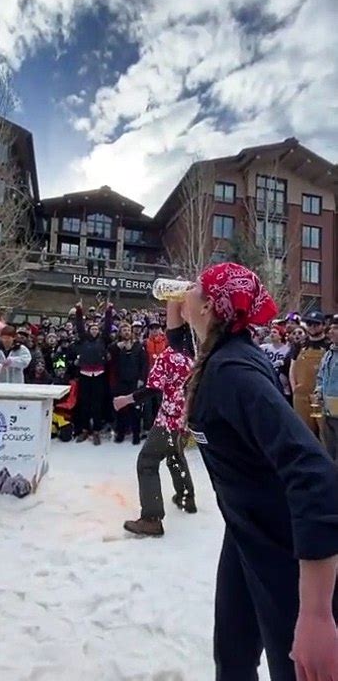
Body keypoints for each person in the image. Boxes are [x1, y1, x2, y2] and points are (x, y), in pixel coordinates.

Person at [167, 262, 338, 681]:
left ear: (208, 307)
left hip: (285, 546)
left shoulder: (233, 372)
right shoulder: (223, 353)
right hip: (246, 532)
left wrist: (316, 615)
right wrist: (178, 304)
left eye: (196, 288)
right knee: (233, 655)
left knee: (292, 667)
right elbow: (184, 343)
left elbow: (315, 473)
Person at [117, 343, 196, 536]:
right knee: (175, 455)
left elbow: (153, 388)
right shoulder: (195, 351)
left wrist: (126, 399)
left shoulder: (169, 355)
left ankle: (151, 519)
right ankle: (186, 497)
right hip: (187, 418)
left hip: (169, 420)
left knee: (147, 461)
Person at [75, 302, 112, 445]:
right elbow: (79, 325)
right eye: (92, 328)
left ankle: (96, 431)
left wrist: (109, 310)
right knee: (84, 403)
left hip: (99, 375)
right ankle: (85, 429)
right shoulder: (84, 339)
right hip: (84, 375)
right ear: (89, 330)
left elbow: (108, 327)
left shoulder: (103, 340)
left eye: (97, 328)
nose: (95, 330)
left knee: (97, 404)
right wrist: (79, 310)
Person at [289, 310, 330, 437]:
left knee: (325, 434)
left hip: (321, 398)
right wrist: (294, 388)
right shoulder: (300, 345)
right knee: (304, 434)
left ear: (323, 325)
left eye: (316, 324)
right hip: (301, 397)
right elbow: (292, 368)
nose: (312, 327)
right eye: (310, 324)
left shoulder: (330, 346)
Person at [109, 322, 147, 444]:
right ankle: (120, 433)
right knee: (121, 407)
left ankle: (136, 434)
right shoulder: (116, 346)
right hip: (120, 382)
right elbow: (109, 357)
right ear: (120, 333)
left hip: (134, 382)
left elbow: (144, 364)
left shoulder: (138, 346)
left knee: (135, 408)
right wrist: (117, 348)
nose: (126, 332)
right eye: (124, 330)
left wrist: (141, 379)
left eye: (128, 330)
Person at [316, 314, 338, 461]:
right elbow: (321, 376)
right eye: (331, 328)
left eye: (336, 328)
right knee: (329, 451)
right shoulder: (329, 354)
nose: (331, 331)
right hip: (328, 411)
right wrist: (319, 391)